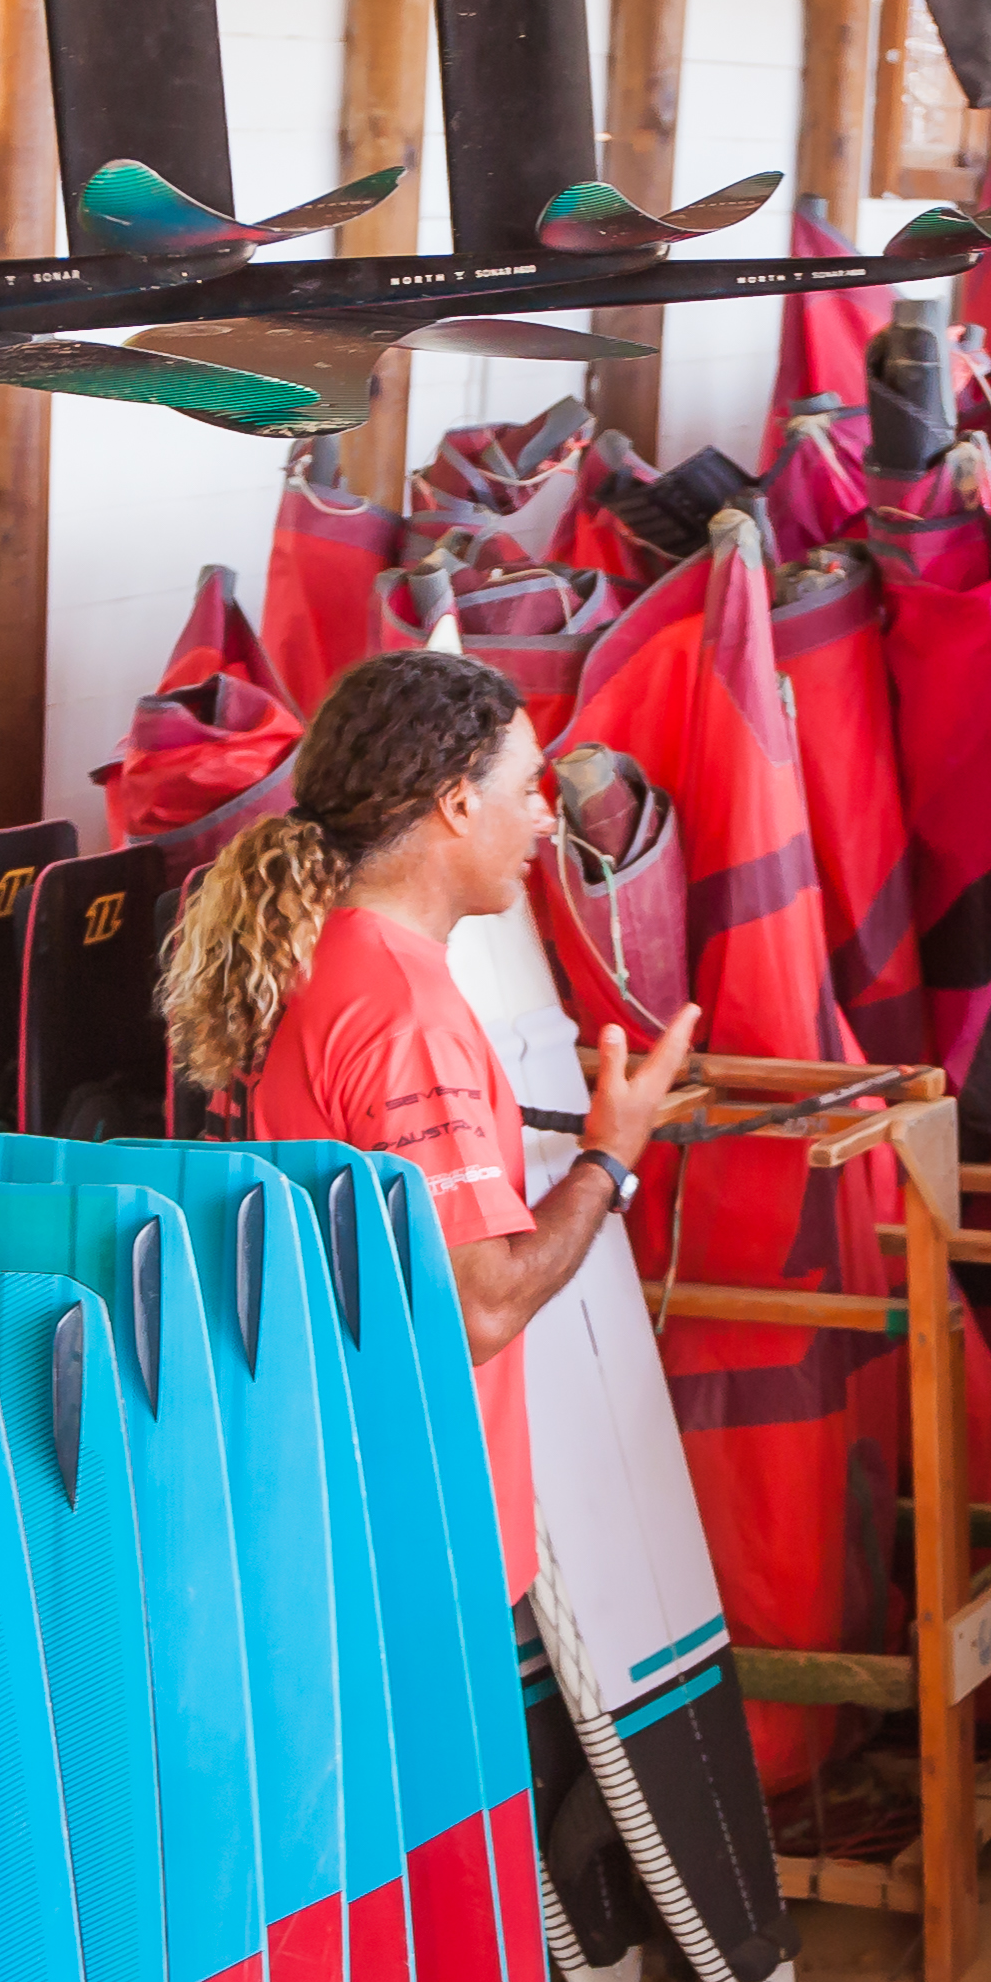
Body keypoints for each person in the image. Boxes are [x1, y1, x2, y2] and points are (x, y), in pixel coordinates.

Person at [156, 645, 701, 1606]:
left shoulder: (311, 955)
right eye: (527, 787)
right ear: (455, 803)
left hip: (326, 1514)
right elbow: (481, 1307)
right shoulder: (405, 1012)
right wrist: (608, 1160)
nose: (544, 815)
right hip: (414, 1546)